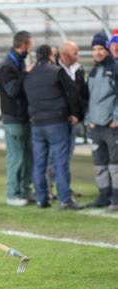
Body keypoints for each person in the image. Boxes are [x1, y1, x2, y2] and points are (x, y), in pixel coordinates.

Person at [23, 44, 83, 210]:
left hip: (36, 123)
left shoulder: (29, 74)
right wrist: (75, 113)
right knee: (60, 162)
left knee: (39, 163)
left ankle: (42, 199)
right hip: (57, 122)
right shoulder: (57, 71)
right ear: (51, 55)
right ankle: (65, 200)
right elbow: (72, 93)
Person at [0, 31, 34, 207]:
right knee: (16, 157)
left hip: (24, 117)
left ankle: (25, 190)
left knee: (27, 157)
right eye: (29, 46)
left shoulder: (17, 63)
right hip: (13, 118)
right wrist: (26, 74)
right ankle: (12, 194)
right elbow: (13, 90)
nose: (30, 50)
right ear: (24, 45)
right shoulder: (7, 66)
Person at [47, 41, 88, 199]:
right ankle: (48, 188)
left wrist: (79, 114)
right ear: (64, 55)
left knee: (66, 156)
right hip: (58, 121)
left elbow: (81, 94)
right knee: (53, 157)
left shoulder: (79, 69)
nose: (78, 56)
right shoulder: (54, 71)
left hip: (73, 120)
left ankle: (64, 188)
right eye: (75, 53)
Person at [85, 32, 118, 211]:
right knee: (99, 164)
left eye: (100, 49)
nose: (97, 52)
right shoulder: (94, 71)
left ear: (107, 49)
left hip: (112, 127)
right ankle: (103, 196)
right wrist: (88, 119)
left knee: (115, 165)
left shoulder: (115, 69)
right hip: (95, 126)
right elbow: (88, 98)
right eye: (94, 49)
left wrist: (116, 118)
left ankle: (116, 198)